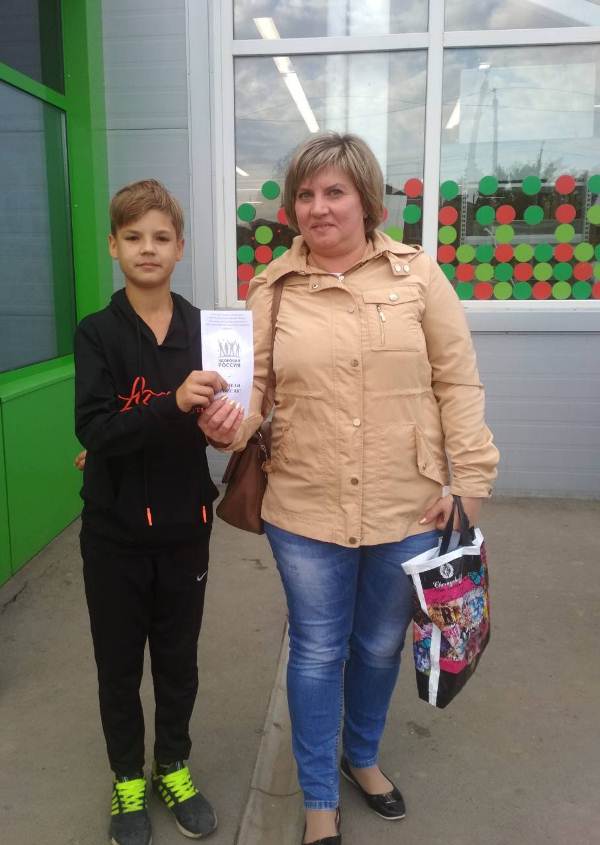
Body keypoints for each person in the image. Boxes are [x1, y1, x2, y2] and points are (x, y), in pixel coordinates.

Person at [199, 133, 499, 845]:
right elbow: (254, 392)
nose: (318, 207)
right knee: (316, 649)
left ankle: (361, 756)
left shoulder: (418, 276)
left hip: (409, 503)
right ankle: (318, 799)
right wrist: (224, 426)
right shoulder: (273, 287)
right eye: (304, 194)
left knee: (380, 644)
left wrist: (471, 481)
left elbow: (458, 383)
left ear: (366, 199)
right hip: (305, 505)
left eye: (334, 191)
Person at [75, 179, 243, 845]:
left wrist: (226, 428)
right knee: (118, 664)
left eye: (161, 237)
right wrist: (170, 404)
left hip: (184, 529)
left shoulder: (209, 332)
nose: (148, 248)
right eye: (134, 236)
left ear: (181, 248)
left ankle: (172, 764)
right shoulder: (96, 334)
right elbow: (95, 430)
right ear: (113, 246)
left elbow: (228, 422)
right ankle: (126, 778)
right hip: (113, 534)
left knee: (178, 660)